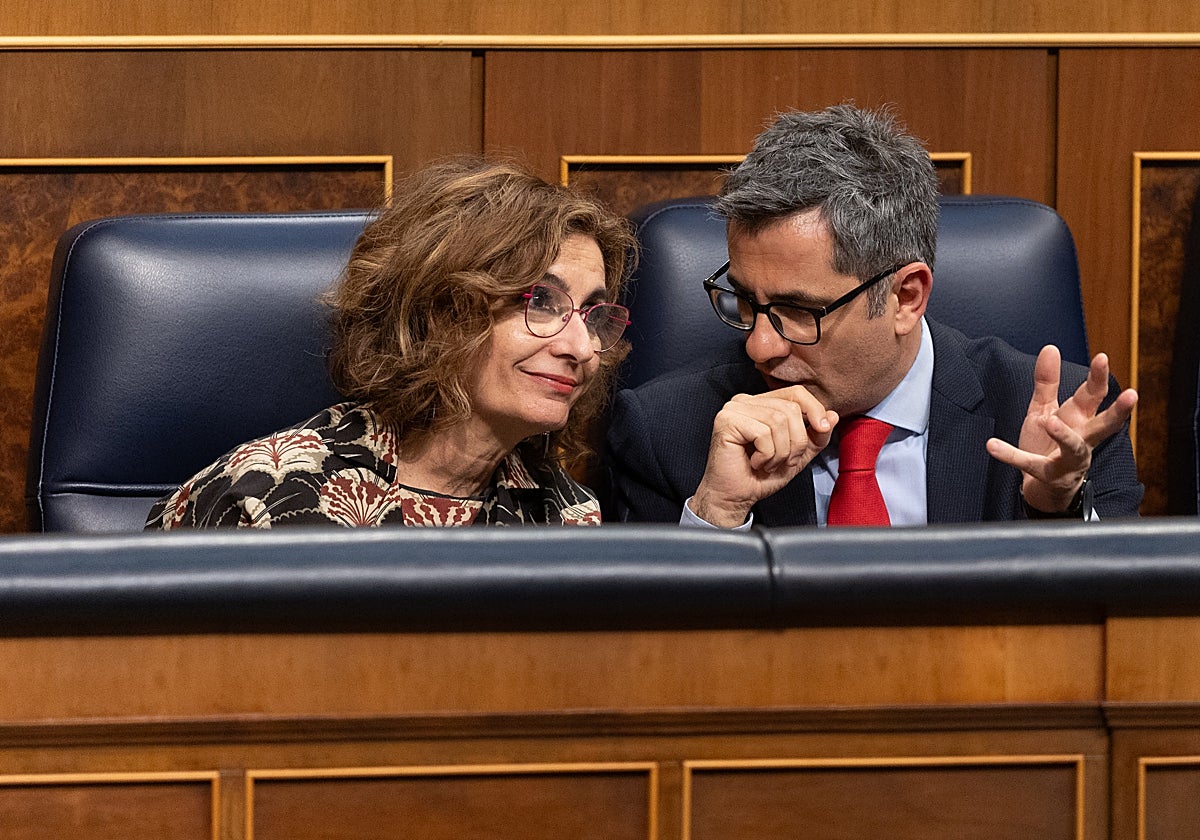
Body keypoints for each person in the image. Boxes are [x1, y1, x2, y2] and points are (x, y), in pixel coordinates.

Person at [606, 104, 1143, 527]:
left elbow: (1118, 640)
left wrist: (1056, 511)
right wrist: (717, 514)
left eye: (797, 310)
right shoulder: (667, 431)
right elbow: (646, 659)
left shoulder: (1058, 423)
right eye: (745, 300)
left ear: (906, 297)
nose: (759, 347)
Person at [148, 157, 635, 529]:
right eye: (543, 301)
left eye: (594, 315)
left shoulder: (567, 515)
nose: (582, 347)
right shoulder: (265, 498)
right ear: (441, 309)